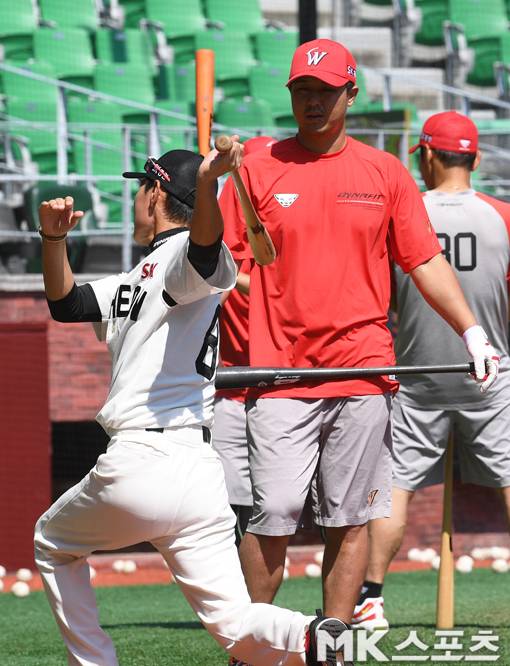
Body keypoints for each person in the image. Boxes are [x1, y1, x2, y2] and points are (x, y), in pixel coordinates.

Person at [219, 38, 500, 640]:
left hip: (364, 371)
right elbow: (221, 266)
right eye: (302, 91)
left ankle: (333, 646)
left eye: (325, 91)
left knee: (350, 523)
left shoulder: (385, 172)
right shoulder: (256, 169)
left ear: (351, 93)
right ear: (290, 95)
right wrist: (253, 283)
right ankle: (247, 649)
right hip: (279, 376)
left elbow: (424, 261)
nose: (312, 102)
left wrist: (471, 330)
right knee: (273, 521)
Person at [33, 143, 353, 666]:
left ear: (155, 192)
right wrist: (54, 240)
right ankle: (324, 638)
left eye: (141, 186)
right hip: (198, 473)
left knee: (52, 540)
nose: (135, 197)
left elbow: (204, 248)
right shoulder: (143, 273)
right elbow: (66, 303)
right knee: (234, 625)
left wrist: (208, 183)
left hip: (141, 460)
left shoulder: (183, 258)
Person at [353, 111, 510, 631]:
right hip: (489, 371)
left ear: (425, 154)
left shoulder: (405, 212)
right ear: (476, 158)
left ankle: (371, 598)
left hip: (417, 374)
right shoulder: (503, 215)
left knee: (395, 486)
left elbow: (382, 294)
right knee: (509, 479)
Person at [213, 136, 277, 546]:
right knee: (228, 513)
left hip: (284, 393)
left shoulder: (290, 234)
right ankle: (233, 606)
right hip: (230, 389)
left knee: (275, 511)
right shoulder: (217, 248)